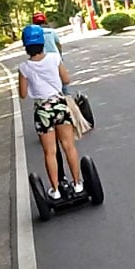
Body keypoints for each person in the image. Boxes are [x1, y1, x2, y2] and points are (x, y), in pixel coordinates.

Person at [18, 24, 81, 200]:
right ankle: (77, 184)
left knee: (50, 152)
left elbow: (23, 95)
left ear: (26, 46)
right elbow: (66, 79)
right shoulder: (54, 58)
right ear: (42, 42)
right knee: (69, 146)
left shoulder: (24, 67)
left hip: (42, 110)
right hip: (59, 104)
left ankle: (55, 190)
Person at [31, 11, 70, 95]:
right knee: (64, 86)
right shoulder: (51, 31)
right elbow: (58, 45)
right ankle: (68, 99)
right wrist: (60, 56)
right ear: (44, 20)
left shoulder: (33, 34)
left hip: (42, 61)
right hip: (56, 59)